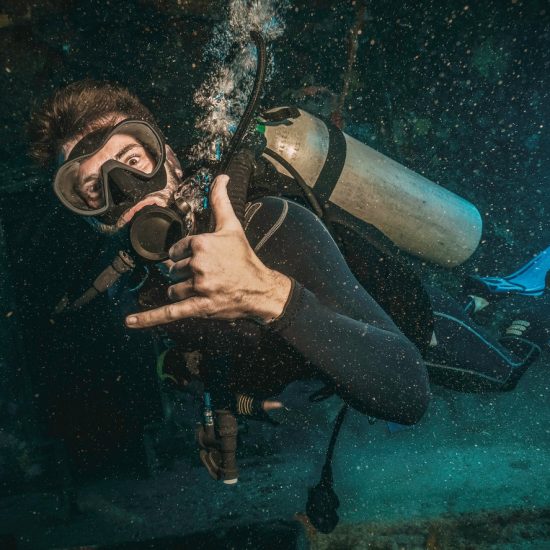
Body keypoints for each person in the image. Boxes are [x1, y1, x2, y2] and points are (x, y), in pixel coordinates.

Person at [28, 80, 547, 432]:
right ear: (91, 215)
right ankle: (493, 295)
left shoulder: (273, 225)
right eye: (95, 187)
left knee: (504, 370)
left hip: (410, 328)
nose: (126, 190)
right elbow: (210, 354)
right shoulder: (137, 287)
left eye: (131, 159)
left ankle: (518, 303)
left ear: (166, 153)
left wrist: (269, 296)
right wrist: (221, 401)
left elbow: (409, 393)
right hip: (327, 364)